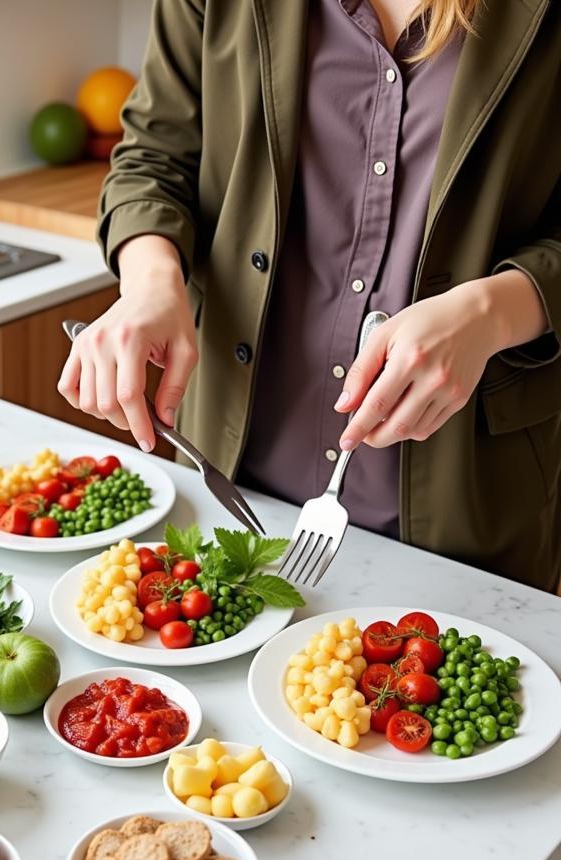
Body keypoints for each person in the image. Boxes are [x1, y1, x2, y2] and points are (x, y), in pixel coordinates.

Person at [58, 0, 561, 591]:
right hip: (231, 489)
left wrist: (492, 312)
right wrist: (150, 283)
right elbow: (153, 158)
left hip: (468, 507)